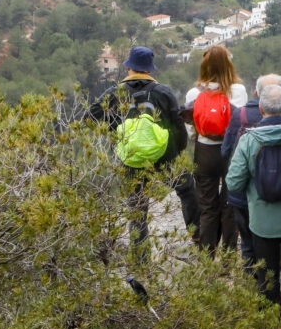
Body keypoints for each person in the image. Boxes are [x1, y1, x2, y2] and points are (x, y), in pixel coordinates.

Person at [83, 46, 198, 248]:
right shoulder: (163, 92)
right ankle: (198, 237)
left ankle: (140, 259)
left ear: (129, 68)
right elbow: (178, 126)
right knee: (188, 190)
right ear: (150, 70)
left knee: (137, 206)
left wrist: (115, 133)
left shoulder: (114, 93)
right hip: (165, 157)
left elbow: (90, 117)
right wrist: (177, 150)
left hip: (131, 159)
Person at [225, 83, 281, 329]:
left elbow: (233, 182)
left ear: (260, 108)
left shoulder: (249, 141)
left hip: (261, 223)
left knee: (267, 276)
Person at [184, 44, 248, 252]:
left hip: (204, 151)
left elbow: (190, 128)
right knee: (229, 204)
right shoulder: (238, 91)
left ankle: (206, 257)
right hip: (230, 153)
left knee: (207, 206)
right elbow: (241, 123)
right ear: (229, 66)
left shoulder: (194, 93)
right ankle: (228, 257)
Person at [222, 73, 281, 271]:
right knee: (278, 246)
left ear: (256, 94)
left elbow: (226, 151)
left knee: (248, 245)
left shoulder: (240, 115)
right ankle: (274, 287)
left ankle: (252, 290)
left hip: (244, 197)